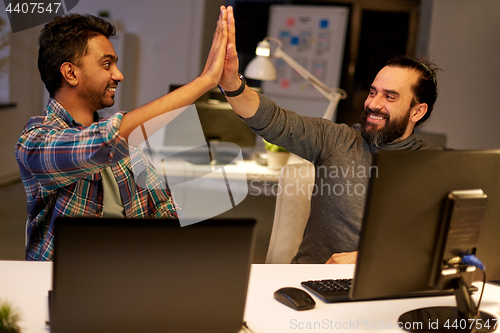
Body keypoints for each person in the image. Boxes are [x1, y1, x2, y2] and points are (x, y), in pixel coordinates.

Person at [218, 6, 442, 264]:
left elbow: (434, 244)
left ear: (417, 111)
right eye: (372, 92)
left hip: (382, 292)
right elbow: (273, 120)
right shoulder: (335, 140)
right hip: (311, 285)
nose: (373, 103)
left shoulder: (433, 164)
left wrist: (366, 259)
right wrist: (232, 85)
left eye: (389, 96)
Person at [16, 9, 229, 261]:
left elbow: (160, 205)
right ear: (71, 73)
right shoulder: (36, 140)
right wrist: (205, 81)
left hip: (129, 270)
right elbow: (101, 143)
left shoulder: (125, 141)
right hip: (61, 278)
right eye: (107, 64)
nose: (119, 75)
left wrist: (187, 247)